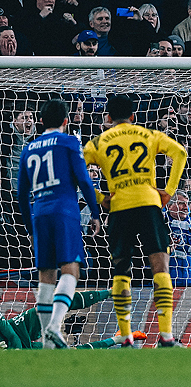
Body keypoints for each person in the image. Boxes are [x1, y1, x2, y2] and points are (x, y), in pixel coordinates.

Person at [83, 95, 188, 348]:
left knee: (121, 270)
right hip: (148, 203)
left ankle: (126, 335)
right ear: (133, 116)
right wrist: (169, 191)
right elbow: (180, 153)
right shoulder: (148, 134)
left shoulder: (96, 143)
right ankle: (166, 335)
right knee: (160, 267)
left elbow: (78, 172)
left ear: (107, 118)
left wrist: (100, 197)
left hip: (119, 207)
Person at [16, 100, 101, 349]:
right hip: (65, 211)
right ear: (66, 121)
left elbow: (22, 195)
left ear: (40, 121)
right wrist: (95, 212)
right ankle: (54, 325)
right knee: (71, 269)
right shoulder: (69, 142)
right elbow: (84, 180)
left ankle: (46, 341)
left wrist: (30, 228)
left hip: (39, 213)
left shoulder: (29, 148)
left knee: (45, 277)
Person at [0, 290, 147, 350]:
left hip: (19, 329)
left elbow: (10, 332)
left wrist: (16, 351)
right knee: (70, 352)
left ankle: (110, 291)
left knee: (51, 304)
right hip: (25, 349)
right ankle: (116, 339)